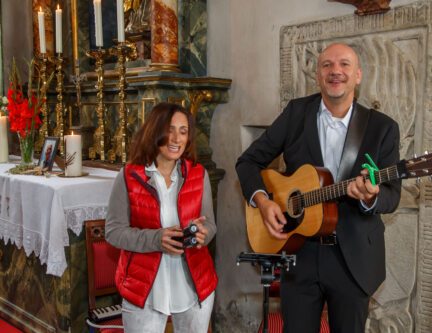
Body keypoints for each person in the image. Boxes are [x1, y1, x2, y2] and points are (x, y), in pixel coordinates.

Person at [235, 43, 401, 333]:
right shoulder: (296, 113)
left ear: (358, 75)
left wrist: (371, 197)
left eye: (345, 64)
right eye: (327, 65)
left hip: (354, 258)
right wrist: (263, 201)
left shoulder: (382, 128)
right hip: (300, 255)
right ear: (318, 75)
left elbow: (392, 195)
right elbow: (248, 161)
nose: (335, 71)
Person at [106, 102, 217, 333]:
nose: (176, 138)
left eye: (183, 131)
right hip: (144, 287)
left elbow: (211, 225)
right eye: (170, 129)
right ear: (155, 131)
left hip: (194, 282)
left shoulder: (198, 174)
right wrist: (157, 239)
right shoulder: (128, 176)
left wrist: (202, 234)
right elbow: (114, 232)